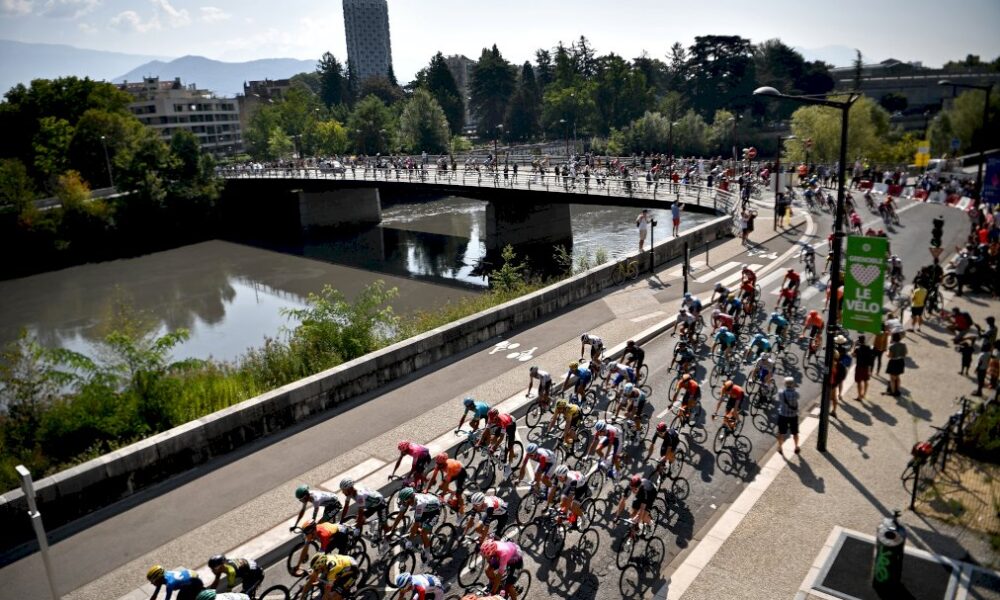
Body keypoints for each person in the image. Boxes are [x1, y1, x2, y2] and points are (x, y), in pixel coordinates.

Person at [387, 487, 441, 565]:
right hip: (425, 508)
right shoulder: (408, 500)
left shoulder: (419, 504)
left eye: (403, 501)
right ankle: (424, 533)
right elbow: (400, 515)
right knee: (414, 529)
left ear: (409, 499)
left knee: (423, 533)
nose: (402, 502)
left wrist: (410, 540)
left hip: (433, 511)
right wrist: (392, 529)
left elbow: (416, 525)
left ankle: (428, 556)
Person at [775, 377, 801, 456]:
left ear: (785, 384)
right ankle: (796, 447)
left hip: (783, 415)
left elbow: (779, 399)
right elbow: (798, 397)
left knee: (781, 432)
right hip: (793, 416)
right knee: (795, 433)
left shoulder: (781, 393)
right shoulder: (796, 393)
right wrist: (794, 387)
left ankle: (780, 447)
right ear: (793, 384)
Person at [852, 335, 874, 401]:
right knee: (866, 380)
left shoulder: (857, 348)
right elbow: (871, 358)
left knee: (859, 382)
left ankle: (859, 396)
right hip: (866, 366)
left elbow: (853, 355)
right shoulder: (868, 347)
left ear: (858, 341)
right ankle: (864, 394)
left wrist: (854, 345)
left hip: (859, 366)